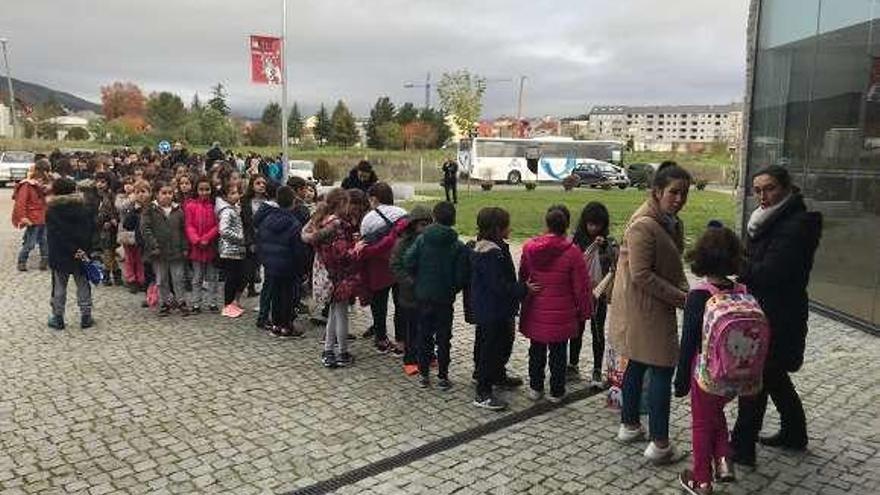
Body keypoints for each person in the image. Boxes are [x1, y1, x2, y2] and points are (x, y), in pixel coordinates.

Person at [731, 165, 822, 465]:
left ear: (785, 187)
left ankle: (741, 448)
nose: (762, 196)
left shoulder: (794, 225)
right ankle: (795, 432)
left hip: (780, 315)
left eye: (768, 188)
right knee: (773, 375)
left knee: (757, 378)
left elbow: (770, 272)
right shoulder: (765, 220)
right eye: (757, 190)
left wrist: (737, 266)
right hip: (764, 310)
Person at [608, 161, 691, 464]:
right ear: (657, 192)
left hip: (645, 308)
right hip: (646, 309)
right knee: (661, 368)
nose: (680, 199)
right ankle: (660, 444)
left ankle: (630, 426)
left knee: (639, 363)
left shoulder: (667, 219)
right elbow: (642, 274)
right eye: (674, 192)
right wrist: (682, 298)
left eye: (684, 193)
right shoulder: (645, 224)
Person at [674, 224, 746, 495]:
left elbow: (689, 341)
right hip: (736, 374)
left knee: (702, 423)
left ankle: (701, 480)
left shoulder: (699, 295)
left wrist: (681, 379)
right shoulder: (741, 289)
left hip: (705, 374)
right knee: (715, 413)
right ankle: (725, 460)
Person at [519, 205, 592, 404]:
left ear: (546, 224)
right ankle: (557, 391)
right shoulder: (573, 252)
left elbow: (523, 276)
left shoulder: (529, 248)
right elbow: (581, 286)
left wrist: (523, 295)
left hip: (537, 308)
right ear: (566, 226)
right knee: (559, 353)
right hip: (562, 312)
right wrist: (585, 311)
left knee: (536, 350)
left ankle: (535, 387)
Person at [469, 207, 535, 411]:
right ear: (498, 229)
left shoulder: (494, 248)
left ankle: (495, 375)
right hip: (492, 309)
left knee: (496, 344)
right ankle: (483, 391)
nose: (511, 228)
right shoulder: (490, 253)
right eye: (507, 225)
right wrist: (523, 289)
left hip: (493, 309)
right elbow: (498, 285)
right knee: (490, 348)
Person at [404, 201, 469, 390]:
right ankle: (442, 376)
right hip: (445, 297)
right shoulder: (457, 245)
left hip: (423, 295)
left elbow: (408, 260)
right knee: (443, 337)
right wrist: (453, 288)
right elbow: (461, 275)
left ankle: (424, 374)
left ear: (434, 218)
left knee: (424, 334)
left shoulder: (422, 239)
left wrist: (418, 280)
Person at [308, 189, 362, 368]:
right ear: (341, 204)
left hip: (324, 275)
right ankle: (342, 352)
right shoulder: (337, 225)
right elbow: (342, 255)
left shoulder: (322, 221)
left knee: (333, 313)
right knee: (341, 314)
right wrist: (356, 248)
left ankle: (328, 350)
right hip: (337, 276)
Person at [355, 182, 408, 353]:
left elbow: (363, 242)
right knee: (401, 305)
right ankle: (401, 341)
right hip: (400, 264)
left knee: (379, 304)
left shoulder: (369, 218)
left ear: (374, 199)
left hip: (378, 267)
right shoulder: (403, 214)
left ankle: (381, 338)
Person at [570, 202, 619, 386]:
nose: (593, 228)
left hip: (599, 294)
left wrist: (606, 246)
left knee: (597, 331)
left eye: (597, 225)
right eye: (590, 224)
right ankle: (573, 364)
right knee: (576, 329)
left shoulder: (609, 241)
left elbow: (616, 260)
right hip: (580, 293)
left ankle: (597, 369)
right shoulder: (576, 240)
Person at [253, 186, 307, 338]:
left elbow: (261, 240)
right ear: (293, 202)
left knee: (275, 294)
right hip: (288, 265)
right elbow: (298, 249)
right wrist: (302, 268)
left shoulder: (267, 219)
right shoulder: (294, 223)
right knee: (288, 296)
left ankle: (276, 324)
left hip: (271, 264)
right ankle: (287, 325)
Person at [45, 177, 95, 330]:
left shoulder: (52, 211)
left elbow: (55, 234)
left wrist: (70, 249)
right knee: (83, 284)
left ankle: (58, 317)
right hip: (81, 252)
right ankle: (86, 316)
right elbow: (89, 231)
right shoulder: (84, 209)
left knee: (59, 286)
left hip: (60, 253)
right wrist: (82, 250)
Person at [390, 205, 433, 376]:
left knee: (429, 327)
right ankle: (410, 359)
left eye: (429, 224)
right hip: (410, 294)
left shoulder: (431, 242)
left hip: (428, 292)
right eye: (423, 224)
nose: (425, 228)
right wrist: (409, 281)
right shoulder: (403, 243)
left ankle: (429, 355)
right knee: (412, 329)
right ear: (413, 225)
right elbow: (395, 265)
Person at [140, 181, 189, 317]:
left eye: (170, 193)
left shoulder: (178, 210)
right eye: (164, 193)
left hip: (176, 250)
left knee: (178, 278)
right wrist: (153, 245)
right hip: (159, 252)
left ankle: (181, 301)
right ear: (157, 194)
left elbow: (183, 230)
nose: (167, 196)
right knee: (161, 279)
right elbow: (145, 229)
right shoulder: (150, 210)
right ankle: (165, 303)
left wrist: (185, 247)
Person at [184, 176, 220, 314]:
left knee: (212, 277)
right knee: (197, 277)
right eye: (201, 189)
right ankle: (196, 303)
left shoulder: (214, 206)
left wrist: (207, 238)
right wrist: (197, 240)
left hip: (210, 246)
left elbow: (217, 225)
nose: (204, 192)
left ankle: (212, 302)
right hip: (197, 247)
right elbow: (189, 225)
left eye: (207, 189)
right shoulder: (190, 206)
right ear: (196, 190)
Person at [12, 159, 51, 272]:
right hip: (33, 218)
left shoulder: (43, 184)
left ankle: (44, 261)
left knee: (44, 241)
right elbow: (21, 202)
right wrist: (23, 217)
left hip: (43, 216)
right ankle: (22, 261)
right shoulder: (27, 185)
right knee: (30, 243)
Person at [216, 183, 248, 318]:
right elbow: (223, 230)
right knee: (231, 278)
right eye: (232, 194)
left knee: (237, 277)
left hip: (237, 250)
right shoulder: (227, 211)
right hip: (229, 250)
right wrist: (240, 238)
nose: (236, 196)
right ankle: (227, 304)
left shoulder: (234, 208)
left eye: (237, 193)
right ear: (225, 197)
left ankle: (232, 304)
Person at [241, 174, 270, 298]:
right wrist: (250, 241)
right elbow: (245, 222)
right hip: (252, 235)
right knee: (251, 264)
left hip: (267, 236)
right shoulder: (246, 201)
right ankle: (250, 286)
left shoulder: (269, 201)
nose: (261, 186)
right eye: (258, 183)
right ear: (252, 186)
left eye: (263, 183)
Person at [95, 172, 122, 286]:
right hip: (102, 227)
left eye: (103, 182)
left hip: (110, 229)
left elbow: (113, 211)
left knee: (109, 252)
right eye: (98, 182)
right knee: (108, 252)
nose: (100, 184)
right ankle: (115, 275)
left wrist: (110, 220)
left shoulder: (111, 196)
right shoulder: (97, 196)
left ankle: (108, 275)